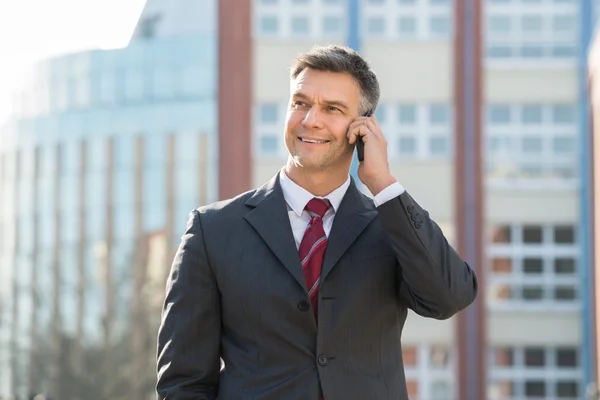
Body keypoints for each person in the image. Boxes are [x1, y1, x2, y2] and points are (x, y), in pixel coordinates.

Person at [156, 45, 478, 400]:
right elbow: (184, 382)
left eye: (332, 109)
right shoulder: (212, 230)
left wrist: (383, 184)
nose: (310, 119)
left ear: (363, 127)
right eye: (300, 103)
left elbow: (449, 297)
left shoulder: (391, 226)